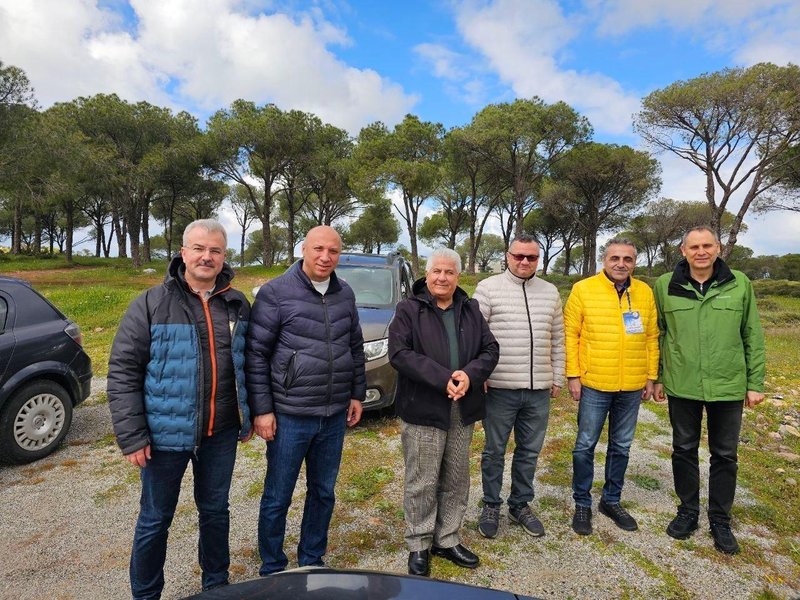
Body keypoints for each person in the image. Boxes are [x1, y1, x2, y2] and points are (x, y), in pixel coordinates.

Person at [107, 219, 251, 599]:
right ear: (183, 253)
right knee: (155, 520)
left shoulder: (237, 303)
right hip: (163, 436)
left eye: (215, 251)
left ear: (223, 258)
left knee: (216, 512)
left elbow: (247, 364)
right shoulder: (151, 303)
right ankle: (147, 593)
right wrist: (132, 435)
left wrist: (249, 414)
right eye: (199, 249)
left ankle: (216, 585)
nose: (207, 257)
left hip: (220, 433)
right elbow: (123, 370)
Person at [246, 225, 366, 575]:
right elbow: (256, 355)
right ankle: (273, 565)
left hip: (332, 415)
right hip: (290, 415)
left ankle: (312, 559)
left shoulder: (344, 294)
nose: (325, 257)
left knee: (323, 493)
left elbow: (354, 347)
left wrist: (357, 393)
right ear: (303, 249)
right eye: (318, 249)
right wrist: (263, 410)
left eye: (332, 251)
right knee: (277, 496)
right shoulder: (276, 293)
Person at [654, 226, 765, 555]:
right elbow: (659, 334)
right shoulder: (665, 285)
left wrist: (755, 383)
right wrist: (659, 376)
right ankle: (688, 510)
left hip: (728, 384)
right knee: (683, 448)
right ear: (682, 251)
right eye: (694, 246)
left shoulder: (739, 283)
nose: (701, 251)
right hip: (682, 383)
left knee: (725, 455)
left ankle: (720, 518)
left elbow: (753, 335)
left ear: (718, 248)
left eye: (707, 245)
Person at [388, 248, 499, 577]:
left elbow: (490, 349)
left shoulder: (471, 309)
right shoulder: (409, 309)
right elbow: (400, 353)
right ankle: (419, 543)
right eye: (437, 271)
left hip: (462, 407)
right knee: (421, 479)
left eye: (449, 272)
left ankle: (447, 538)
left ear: (458, 277)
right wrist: (442, 379)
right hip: (424, 408)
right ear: (427, 273)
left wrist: (469, 375)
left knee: (455, 478)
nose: (442, 278)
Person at [564, 238, 659, 536]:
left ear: (634, 262)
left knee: (621, 446)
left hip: (631, 384)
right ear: (603, 260)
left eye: (627, 259)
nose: (621, 263)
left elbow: (652, 337)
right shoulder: (583, 289)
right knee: (584, 445)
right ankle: (582, 503)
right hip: (594, 382)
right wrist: (573, 375)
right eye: (615, 258)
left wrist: (650, 375)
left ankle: (611, 500)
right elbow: (571, 334)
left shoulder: (644, 292)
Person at [472, 235, 565, 539]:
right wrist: (479, 374)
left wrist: (557, 376)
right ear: (507, 256)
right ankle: (490, 504)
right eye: (519, 256)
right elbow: (474, 336)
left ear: (539, 260)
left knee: (529, 451)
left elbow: (557, 338)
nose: (525, 262)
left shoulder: (550, 292)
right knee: (494, 450)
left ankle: (520, 504)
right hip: (499, 387)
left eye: (532, 257)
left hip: (538, 390)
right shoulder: (488, 288)